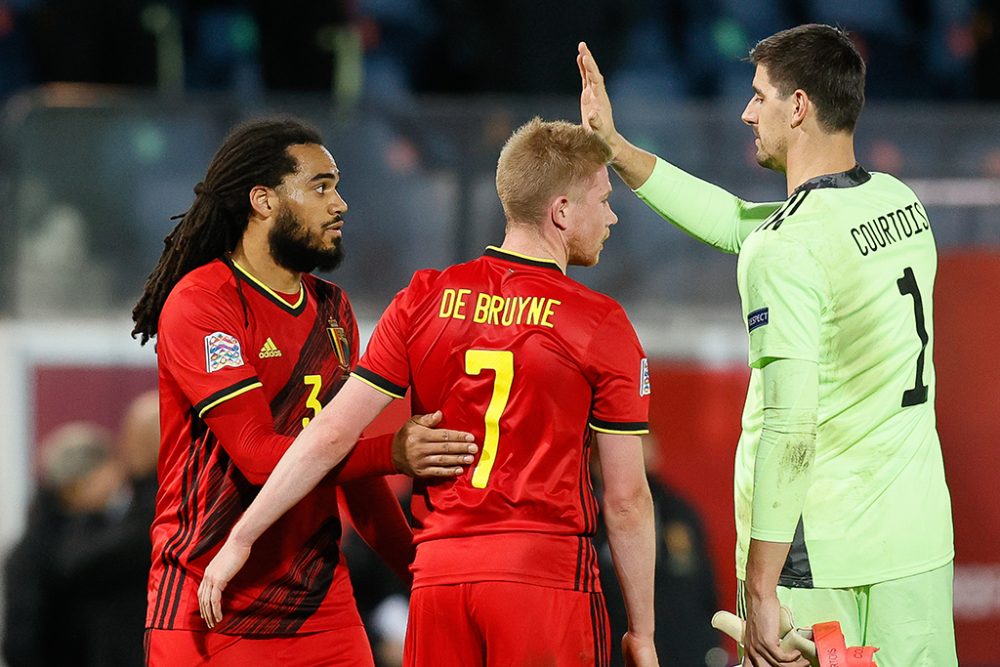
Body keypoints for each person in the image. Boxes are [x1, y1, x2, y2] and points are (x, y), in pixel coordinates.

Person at [199, 118, 659, 667]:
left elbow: (327, 434)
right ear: (561, 211)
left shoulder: (423, 298)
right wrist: (644, 633)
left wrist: (241, 539)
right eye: (605, 200)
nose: (611, 216)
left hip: (439, 582)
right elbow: (627, 501)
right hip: (543, 577)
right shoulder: (599, 323)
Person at [578, 24, 955, 667]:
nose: (747, 112)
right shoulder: (900, 203)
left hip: (819, 563)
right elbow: (735, 222)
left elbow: (790, 424)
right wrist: (615, 148)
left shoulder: (786, 249)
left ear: (798, 106)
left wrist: (760, 583)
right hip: (916, 547)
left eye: (759, 96)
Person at [130, 116, 477, 666]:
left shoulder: (334, 310)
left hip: (320, 609)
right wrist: (389, 453)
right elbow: (256, 456)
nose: (340, 204)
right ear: (263, 201)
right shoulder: (204, 303)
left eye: (336, 185)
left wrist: (423, 578)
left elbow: (358, 490)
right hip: (209, 600)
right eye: (320, 186)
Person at [2, 423, 133, 666]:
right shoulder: (67, 547)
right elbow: (23, 639)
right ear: (76, 485)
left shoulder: (41, 539)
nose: (116, 482)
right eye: (107, 473)